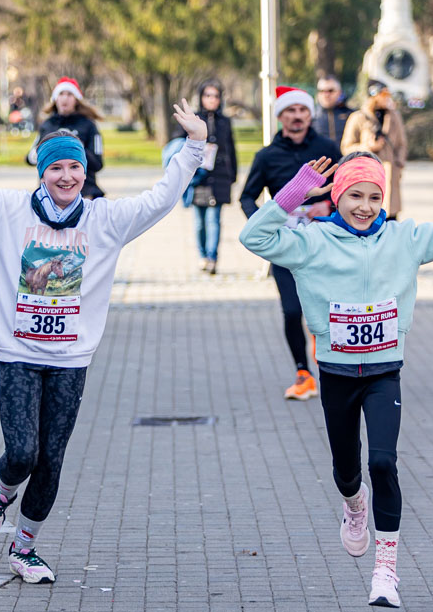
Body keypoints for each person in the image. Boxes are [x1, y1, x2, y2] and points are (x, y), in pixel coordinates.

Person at [0, 103, 208, 584]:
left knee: (50, 461)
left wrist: (194, 145)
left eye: (74, 167)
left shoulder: (105, 220)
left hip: (71, 360)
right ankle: (0, 491)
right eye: (56, 167)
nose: (67, 176)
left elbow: (161, 199)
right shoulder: (6, 211)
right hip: (18, 354)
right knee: (22, 453)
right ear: (41, 172)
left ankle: (25, 549)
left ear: (85, 171)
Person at [241, 152, 433, 608]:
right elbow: (252, 236)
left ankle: (386, 571)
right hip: (335, 373)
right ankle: (354, 505)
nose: (365, 206)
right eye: (355, 195)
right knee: (347, 472)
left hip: (384, 372)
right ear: (337, 196)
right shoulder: (310, 241)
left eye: (375, 197)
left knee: (383, 463)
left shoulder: (404, 238)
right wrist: (293, 194)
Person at [239, 86, 342, 400]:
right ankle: (303, 373)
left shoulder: (327, 147)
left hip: (323, 241)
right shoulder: (266, 156)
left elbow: (345, 187)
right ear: (280, 117)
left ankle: (331, 365)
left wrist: (329, 205)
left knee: (327, 308)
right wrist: (265, 223)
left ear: (310, 115)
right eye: (290, 111)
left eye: (302, 111)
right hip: (285, 244)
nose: (297, 117)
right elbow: (246, 197)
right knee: (291, 309)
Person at [173, 80, 236, 274]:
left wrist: (233, 175)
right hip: (198, 178)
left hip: (220, 177)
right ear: (201, 97)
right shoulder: (194, 119)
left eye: (215, 96)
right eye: (208, 95)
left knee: (214, 219)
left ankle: (212, 258)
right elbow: (177, 144)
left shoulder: (225, 121)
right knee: (200, 221)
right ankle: (202, 255)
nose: (212, 100)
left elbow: (231, 149)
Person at [341, 80, 407, 220]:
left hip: (390, 175)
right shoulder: (358, 117)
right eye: (383, 95)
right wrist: (367, 147)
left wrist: (399, 163)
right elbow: (346, 147)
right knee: (368, 214)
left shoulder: (394, 116)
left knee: (390, 218)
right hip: (366, 175)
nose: (387, 98)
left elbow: (402, 143)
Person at [28, 78, 105, 198]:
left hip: (84, 192)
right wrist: (44, 151)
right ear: (55, 99)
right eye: (61, 94)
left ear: (76, 99)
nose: (65, 98)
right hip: (50, 193)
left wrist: (76, 147)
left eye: (69, 94)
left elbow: (97, 164)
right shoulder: (47, 125)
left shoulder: (88, 125)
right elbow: (30, 159)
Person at [312, 75, 353, 147]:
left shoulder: (352, 115)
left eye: (330, 91)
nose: (326, 95)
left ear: (339, 92)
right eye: (322, 91)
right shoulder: (311, 116)